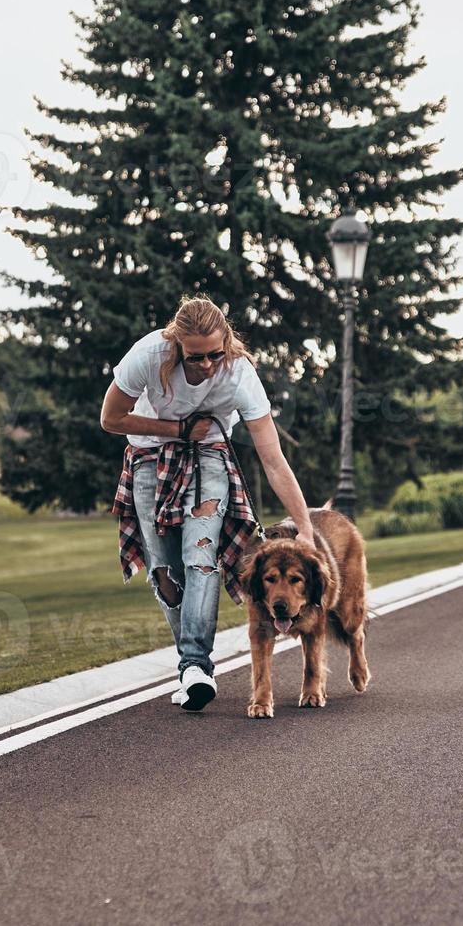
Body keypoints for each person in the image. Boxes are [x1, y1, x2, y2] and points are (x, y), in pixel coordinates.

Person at [103, 296, 315, 712]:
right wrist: (178, 428)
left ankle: (196, 666)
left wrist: (304, 525)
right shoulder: (148, 355)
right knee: (165, 571)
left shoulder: (239, 373)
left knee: (200, 558)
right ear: (176, 344)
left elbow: (273, 458)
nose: (206, 365)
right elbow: (111, 419)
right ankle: (191, 666)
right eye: (194, 357)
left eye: (214, 355)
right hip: (148, 458)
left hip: (211, 458)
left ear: (227, 341)